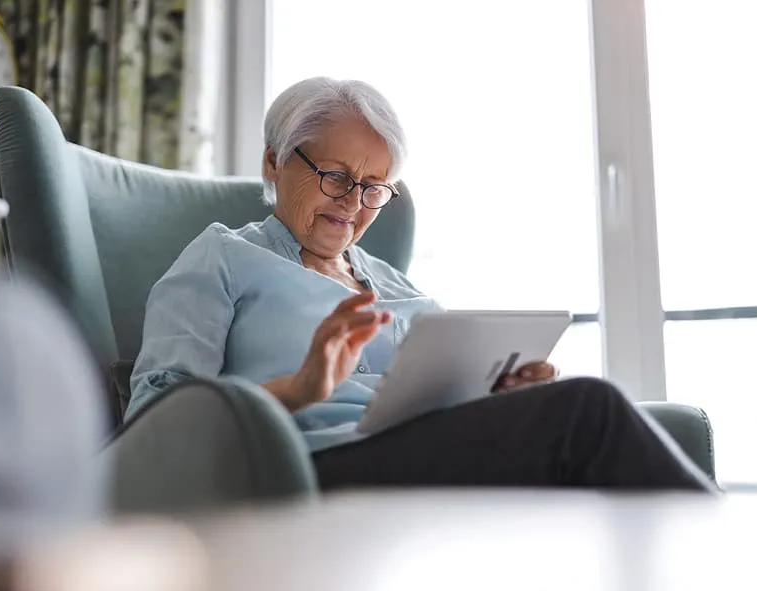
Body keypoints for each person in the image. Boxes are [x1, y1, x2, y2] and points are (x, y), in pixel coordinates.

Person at [127, 77, 716, 493]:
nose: (354, 203)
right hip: (309, 468)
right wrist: (297, 389)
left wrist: (499, 392)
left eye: (374, 188)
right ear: (273, 162)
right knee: (590, 409)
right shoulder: (222, 258)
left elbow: (442, 400)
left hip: (425, 447)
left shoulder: (395, 285)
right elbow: (154, 421)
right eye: (336, 176)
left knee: (571, 413)